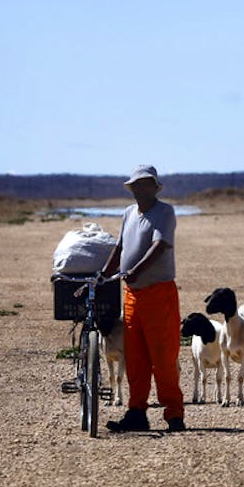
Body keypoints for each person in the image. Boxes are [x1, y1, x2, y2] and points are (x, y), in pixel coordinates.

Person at [100, 165, 186, 432]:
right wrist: (104, 274)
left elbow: (159, 245)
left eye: (146, 184)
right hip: (132, 295)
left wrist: (136, 271)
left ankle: (174, 414)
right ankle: (136, 412)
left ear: (154, 187)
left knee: (163, 356)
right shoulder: (128, 213)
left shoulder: (164, 212)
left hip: (158, 294)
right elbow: (120, 247)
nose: (141, 188)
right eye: (137, 185)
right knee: (135, 357)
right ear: (132, 189)